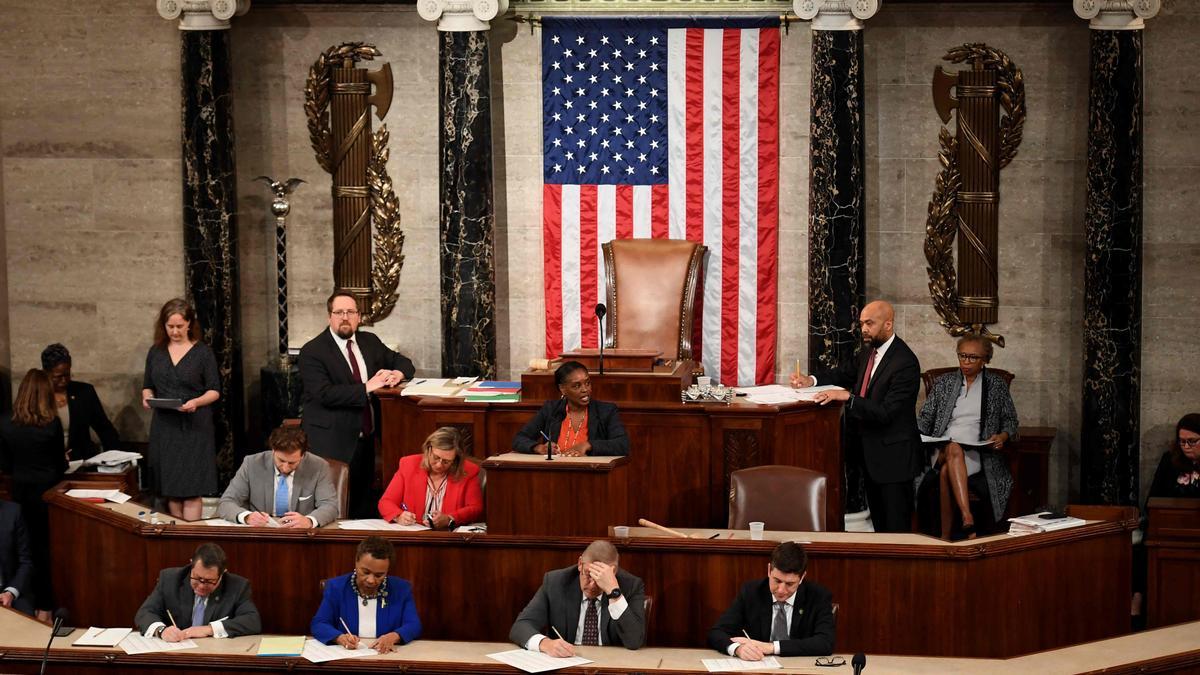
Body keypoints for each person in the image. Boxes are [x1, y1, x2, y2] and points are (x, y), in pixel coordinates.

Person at [792, 300, 922, 533]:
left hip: (894, 460)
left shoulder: (905, 362)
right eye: (862, 323)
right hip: (871, 455)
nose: (863, 329)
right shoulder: (868, 351)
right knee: (880, 527)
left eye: (869, 323)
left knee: (895, 529)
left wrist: (847, 398)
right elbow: (844, 372)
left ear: (888, 324)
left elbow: (886, 412)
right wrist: (810, 380)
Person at [299, 290, 414, 518]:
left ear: (359, 317)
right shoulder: (312, 351)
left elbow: (403, 362)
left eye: (350, 312)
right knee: (333, 507)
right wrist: (366, 387)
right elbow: (324, 394)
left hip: (368, 439)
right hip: (331, 442)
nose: (345, 317)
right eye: (339, 312)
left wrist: (397, 373)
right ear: (329, 317)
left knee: (364, 505)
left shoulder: (369, 341)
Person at [915, 335, 1019, 539]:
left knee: (947, 472)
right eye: (962, 356)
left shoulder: (996, 386)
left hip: (977, 453)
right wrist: (916, 435)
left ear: (985, 360)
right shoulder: (944, 383)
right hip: (942, 450)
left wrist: (1003, 436)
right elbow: (925, 419)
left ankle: (945, 537)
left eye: (973, 357)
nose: (966, 362)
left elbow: (1011, 421)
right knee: (953, 449)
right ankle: (967, 517)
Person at [141, 298, 220, 522]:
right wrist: (148, 398)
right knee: (171, 490)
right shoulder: (156, 352)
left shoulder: (203, 353)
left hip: (194, 425)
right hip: (165, 426)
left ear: (189, 324)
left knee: (192, 489)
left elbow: (214, 390)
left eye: (179, 326)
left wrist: (196, 402)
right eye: (170, 327)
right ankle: (176, 535)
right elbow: (147, 385)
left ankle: (191, 534)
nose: (174, 331)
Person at [0, 369, 67, 621]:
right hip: (46, 498)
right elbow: (60, 465)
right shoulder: (51, 423)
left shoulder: (6, 422)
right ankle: (45, 609)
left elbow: (5, 465)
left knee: (22, 552)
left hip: (18, 495)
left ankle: (22, 606)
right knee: (43, 552)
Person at [509, 540, 646, 655]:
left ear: (613, 572)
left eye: (598, 578)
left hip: (611, 666)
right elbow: (520, 627)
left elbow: (634, 641)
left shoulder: (631, 586)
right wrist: (546, 644)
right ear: (580, 564)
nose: (592, 585)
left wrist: (614, 593)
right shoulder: (556, 582)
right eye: (588, 574)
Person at [708, 541, 835, 659]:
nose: (781, 590)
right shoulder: (751, 592)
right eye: (777, 581)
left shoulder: (818, 596)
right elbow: (717, 632)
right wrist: (738, 649)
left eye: (789, 584)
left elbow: (825, 642)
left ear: (802, 578)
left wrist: (772, 647)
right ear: (769, 570)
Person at [1133, 413, 1200, 627]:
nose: (1186, 446)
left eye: (1192, 441)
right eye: (1182, 442)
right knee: (1141, 544)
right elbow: (1153, 498)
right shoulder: (1169, 461)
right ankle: (1139, 601)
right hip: (1167, 530)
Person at [311, 536, 421, 652]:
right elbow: (319, 623)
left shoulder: (401, 589)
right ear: (356, 562)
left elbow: (414, 625)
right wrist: (340, 638)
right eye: (365, 572)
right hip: (348, 656)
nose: (371, 580)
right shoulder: (336, 587)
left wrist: (393, 637)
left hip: (385, 656)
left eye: (379, 575)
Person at [135, 542, 261, 641]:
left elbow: (252, 621)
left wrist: (208, 629)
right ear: (191, 564)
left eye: (209, 581)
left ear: (222, 574)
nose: (201, 586)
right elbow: (145, 613)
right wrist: (162, 631)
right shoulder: (170, 579)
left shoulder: (237, 586)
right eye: (196, 578)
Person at [217, 425, 339, 528]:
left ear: (303, 455)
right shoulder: (252, 463)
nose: (285, 467)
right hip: (261, 534)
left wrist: (309, 521)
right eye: (281, 460)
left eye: (292, 463)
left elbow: (330, 506)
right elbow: (227, 502)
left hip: (301, 536)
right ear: (273, 450)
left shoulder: (318, 466)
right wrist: (247, 517)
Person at [512, 361, 630, 457]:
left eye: (587, 383)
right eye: (576, 386)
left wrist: (589, 445)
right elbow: (519, 439)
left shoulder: (606, 411)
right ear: (562, 389)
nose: (585, 390)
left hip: (590, 475)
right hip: (553, 475)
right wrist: (538, 448)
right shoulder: (551, 410)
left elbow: (623, 444)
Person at [378, 427, 483, 529]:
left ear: (456, 460)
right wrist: (399, 516)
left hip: (448, 536)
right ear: (428, 450)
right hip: (414, 534)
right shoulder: (409, 465)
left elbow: (475, 508)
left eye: (446, 461)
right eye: (436, 457)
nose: (439, 465)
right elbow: (386, 502)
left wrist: (449, 518)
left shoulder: (468, 471)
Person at [41, 343, 121, 462]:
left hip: (80, 460)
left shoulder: (84, 392)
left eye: (67, 375)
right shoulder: (37, 394)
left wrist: (116, 457)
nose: (64, 381)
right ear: (46, 373)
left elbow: (104, 428)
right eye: (58, 377)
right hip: (48, 461)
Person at [0, 500, 36, 616]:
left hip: (11, 588)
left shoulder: (13, 512)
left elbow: (26, 562)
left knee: (28, 626)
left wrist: (10, 592)